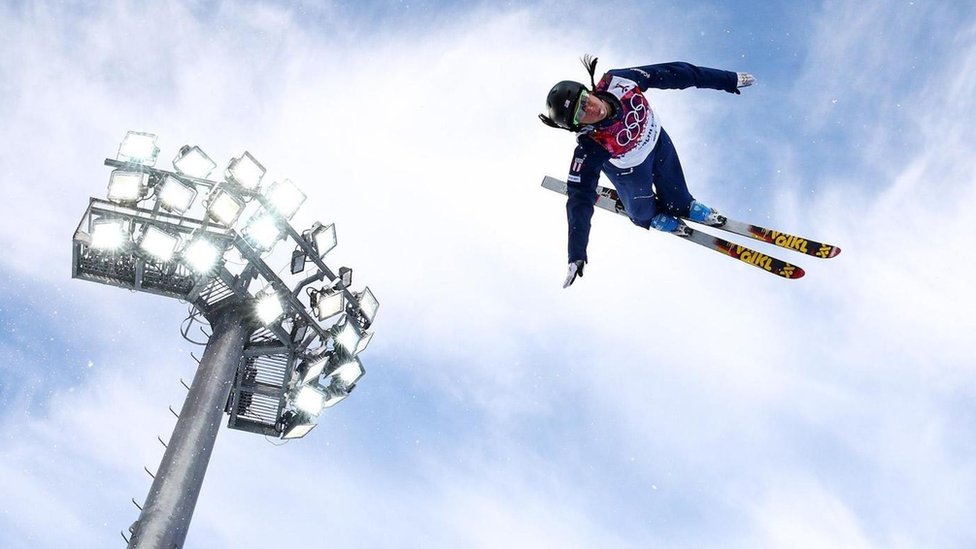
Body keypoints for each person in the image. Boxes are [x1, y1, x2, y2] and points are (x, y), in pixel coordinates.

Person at [540, 56, 755, 287]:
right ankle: (647, 216)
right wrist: (576, 253)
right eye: (580, 115)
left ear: (587, 90)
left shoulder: (619, 81)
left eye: (584, 101)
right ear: (578, 126)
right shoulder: (590, 145)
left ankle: (682, 206)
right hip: (630, 172)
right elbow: (579, 197)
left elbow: (675, 73)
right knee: (641, 208)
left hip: (660, 143)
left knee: (677, 196)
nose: (590, 109)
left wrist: (727, 80)